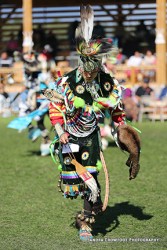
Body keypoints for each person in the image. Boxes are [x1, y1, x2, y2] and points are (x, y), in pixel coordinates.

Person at [43, 5, 141, 241]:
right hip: (71, 135)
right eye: (86, 70)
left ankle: (86, 221)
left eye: (93, 69)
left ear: (98, 64)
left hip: (92, 137)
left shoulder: (107, 81)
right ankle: (90, 210)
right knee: (77, 180)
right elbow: (55, 106)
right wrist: (60, 130)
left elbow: (116, 108)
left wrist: (121, 127)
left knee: (91, 176)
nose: (89, 74)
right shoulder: (67, 81)